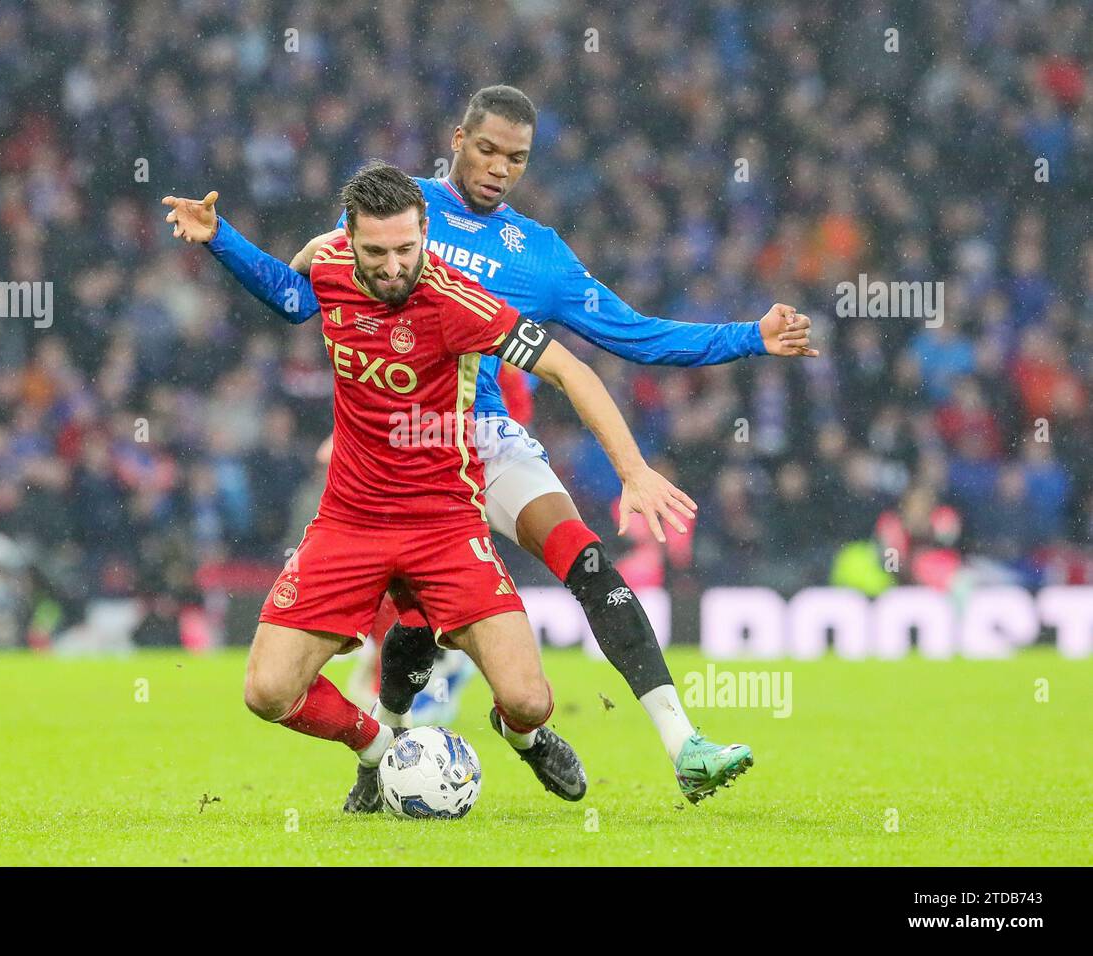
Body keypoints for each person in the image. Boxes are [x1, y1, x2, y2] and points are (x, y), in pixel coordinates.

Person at [163, 86, 815, 804]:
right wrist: (236, 241)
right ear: (457, 139)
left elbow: (637, 338)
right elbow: (307, 294)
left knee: (583, 557)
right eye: (487, 149)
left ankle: (661, 739)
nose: (500, 167)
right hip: (383, 448)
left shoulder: (536, 257)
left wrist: (748, 338)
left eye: (518, 158)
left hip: (481, 439)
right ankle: (382, 749)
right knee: (404, 619)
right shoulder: (395, 207)